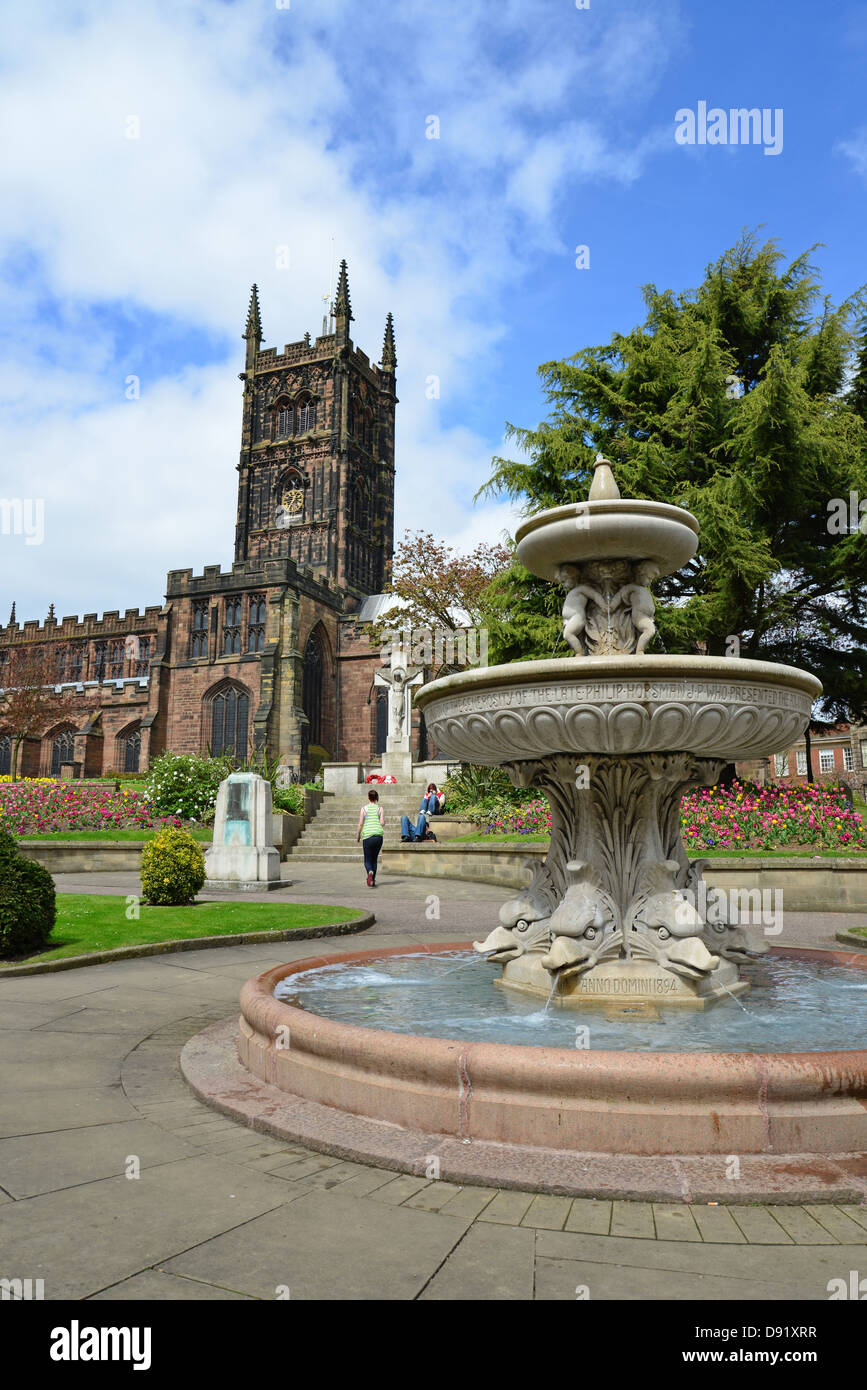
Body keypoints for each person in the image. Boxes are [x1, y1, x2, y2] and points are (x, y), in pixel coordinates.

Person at [356, 788, 385, 887]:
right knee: (374, 859)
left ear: (368, 798)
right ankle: (373, 880)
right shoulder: (380, 808)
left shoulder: (364, 809)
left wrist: (358, 836)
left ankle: (369, 872)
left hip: (367, 836)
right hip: (378, 836)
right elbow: (382, 823)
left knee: (367, 860)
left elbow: (360, 824)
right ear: (376, 798)